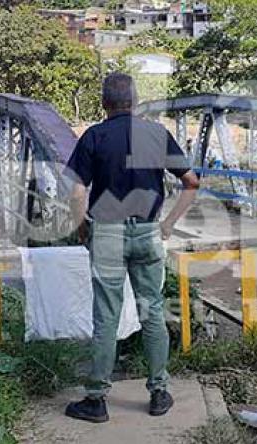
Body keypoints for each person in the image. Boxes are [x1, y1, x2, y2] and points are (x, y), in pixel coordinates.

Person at [63, 73, 201, 423]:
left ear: (104, 104)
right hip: (148, 232)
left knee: (106, 316)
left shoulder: (94, 136)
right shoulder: (157, 134)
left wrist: (82, 229)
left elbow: (77, 192)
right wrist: (168, 224)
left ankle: (96, 400)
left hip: (107, 233)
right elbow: (191, 182)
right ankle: (158, 392)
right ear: (135, 101)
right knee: (151, 311)